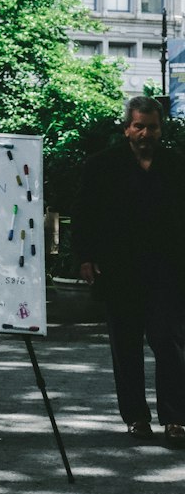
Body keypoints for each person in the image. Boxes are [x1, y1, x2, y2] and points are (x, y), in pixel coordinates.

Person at [72, 95, 185, 444]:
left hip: (168, 270)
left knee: (169, 342)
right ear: (127, 129)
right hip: (119, 270)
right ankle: (136, 417)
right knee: (126, 346)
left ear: (160, 129)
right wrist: (85, 257)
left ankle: (176, 418)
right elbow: (84, 214)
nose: (145, 133)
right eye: (139, 126)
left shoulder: (177, 165)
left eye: (152, 127)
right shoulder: (101, 166)